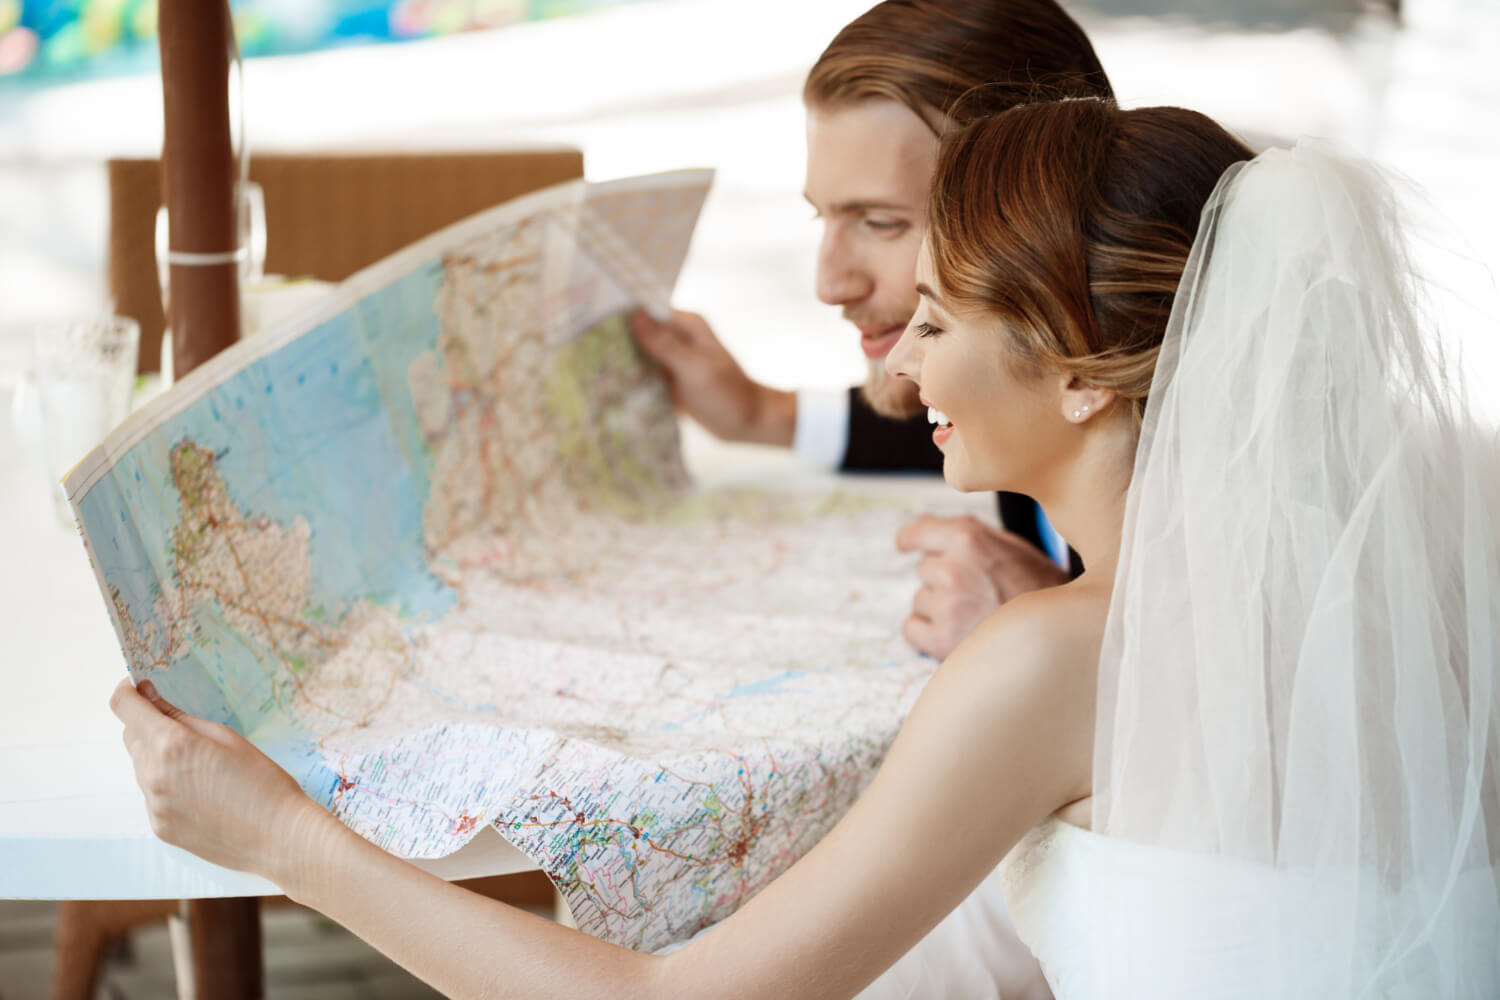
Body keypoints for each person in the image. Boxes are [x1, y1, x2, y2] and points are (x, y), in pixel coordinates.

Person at [110, 98, 1499, 997]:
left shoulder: (1054, 665)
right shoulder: (1397, 570)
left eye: (941, 322)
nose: (904, 375)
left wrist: (283, 839)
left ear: (1085, 374)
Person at [633, 0, 1113, 661]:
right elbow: (952, 415)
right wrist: (758, 413)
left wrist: (1058, 631)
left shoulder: (1190, 483)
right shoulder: (1035, 389)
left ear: (1032, 217)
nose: (830, 284)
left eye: (881, 223)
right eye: (823, 218)